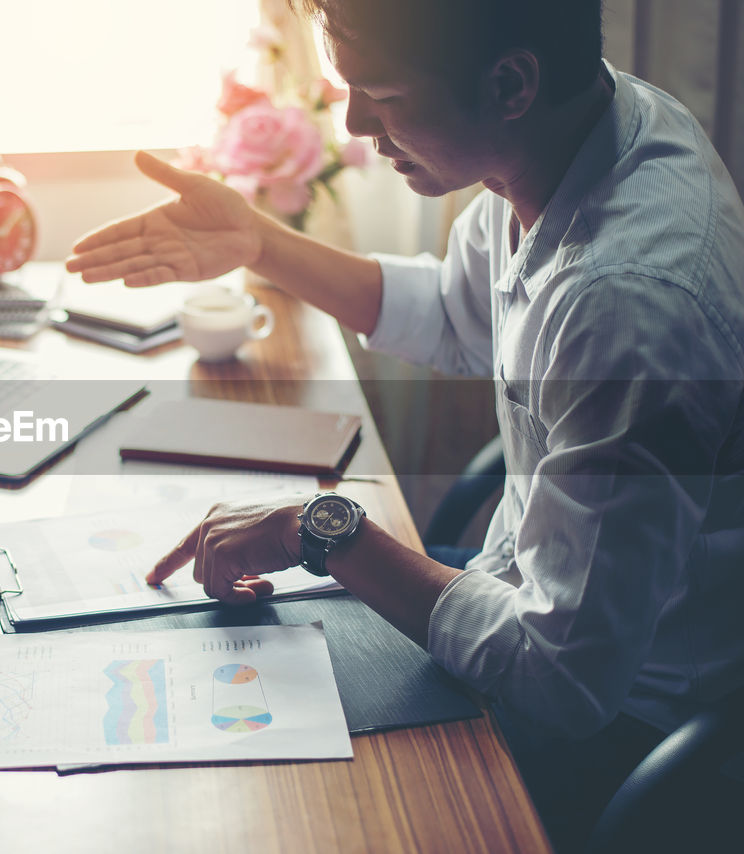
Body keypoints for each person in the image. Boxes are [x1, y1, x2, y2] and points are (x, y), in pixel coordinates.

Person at [66, 1, 744, 848]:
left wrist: (325, 529)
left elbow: (564, 681)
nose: (354, 124)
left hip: (615, 722)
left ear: (509, 84)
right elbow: (460, 316)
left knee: (265, 799)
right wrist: (257, 243)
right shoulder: (579, 133)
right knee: (221, 646)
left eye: (380, 94)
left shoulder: (628, 301)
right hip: (520, 598)